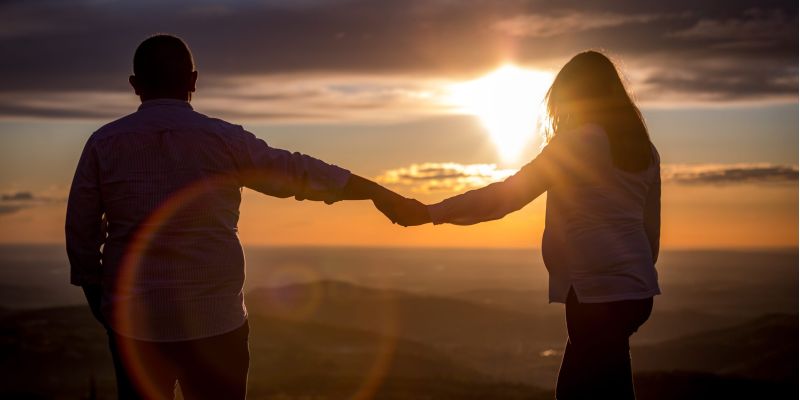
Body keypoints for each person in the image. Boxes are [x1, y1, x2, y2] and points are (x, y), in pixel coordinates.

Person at [65, 34, 414, 400]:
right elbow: (298, 172)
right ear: (194, 81)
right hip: (217, 323)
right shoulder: (224, 140)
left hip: (135, 326)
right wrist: (376, 192)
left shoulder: (103, 144)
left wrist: (106, 308)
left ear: (135, 85)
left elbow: (81, 236)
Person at [396, 51, 661, 399]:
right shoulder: (645, 151)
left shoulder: (577, 143)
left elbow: (507, 197)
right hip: (637, 292)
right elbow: (650, 233)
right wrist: (631, 273)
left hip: (594, 293)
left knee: (578, 391)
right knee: (606, 381)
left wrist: (433, 212)